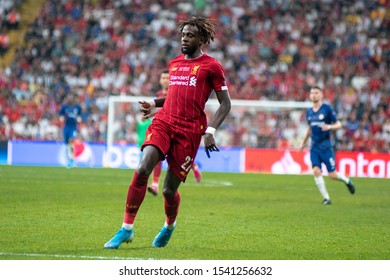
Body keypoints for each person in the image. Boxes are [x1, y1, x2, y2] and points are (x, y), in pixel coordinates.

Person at [104, 16, 231, 249]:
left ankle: (169, 226)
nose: (184, 38)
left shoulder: (211, 66)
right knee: (143, 168)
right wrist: (154, 103)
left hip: (190, 130)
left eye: (190, 35)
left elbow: (226, 103)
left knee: (168, 190)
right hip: (165, 122)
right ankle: (126, 229)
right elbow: (175, 95)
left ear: (202, 39)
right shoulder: (174, 64)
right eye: (183, 34)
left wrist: (210, 131)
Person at [145, 70, 202, 196]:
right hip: (163, 128)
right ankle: (155, 184)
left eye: (167, 77)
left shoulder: (175, 91)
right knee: (157, 151)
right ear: (160, 80)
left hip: (178, 128)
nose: (165, 79)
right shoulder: (159, 94)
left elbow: (169, 106)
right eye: (163, 77)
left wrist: (151, 112)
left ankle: (194, 166)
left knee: (178, 156)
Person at [299, 86, 355, 205]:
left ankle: (347, 181)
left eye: (316, 93)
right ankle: (326, 198)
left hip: (326, 147)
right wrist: (303, 143)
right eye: (312, 93)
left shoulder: (327, 109)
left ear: (321, 95)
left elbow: (338, 124)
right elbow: (309, 128)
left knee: (332, 175)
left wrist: (329, 127)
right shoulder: (309, 112)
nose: (313, 95)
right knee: (316, 170)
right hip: (314, 148)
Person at [59, 94, 82, 168]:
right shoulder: (64, 107)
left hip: (73, 127)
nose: (70, 100)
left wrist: (79, 119)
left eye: (71, 98)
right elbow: (60, 115)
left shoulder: (77, 107)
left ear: (73, 99)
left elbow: (80, 115)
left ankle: (72, 160)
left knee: (70, 140)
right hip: (66, 127)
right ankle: (71, 159)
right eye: (69, 98)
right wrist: (61, 118)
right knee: (67, 144)